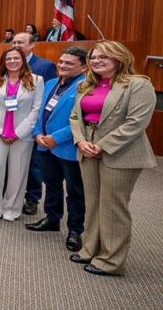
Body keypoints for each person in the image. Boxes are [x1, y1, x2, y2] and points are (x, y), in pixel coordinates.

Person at [69, 41, 156, 276]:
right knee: (93, 202)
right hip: (87, 148)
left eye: (103, 57)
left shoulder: (138, 84)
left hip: (120, 152)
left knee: (113, 206)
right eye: (93, 57)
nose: (96, 61)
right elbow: (75, 116)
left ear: (119, 58)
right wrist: (80, 141)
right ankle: (91, 248)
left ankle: (111, 260)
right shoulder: (86, 84)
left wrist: (102, 145)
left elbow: (136, 123)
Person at [25, 47, 88, 253]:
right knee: (51, 184)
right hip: (44, 145)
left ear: (83, 67)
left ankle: (75, 230)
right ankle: (52, 218)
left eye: (69, 63)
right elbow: (39, 112)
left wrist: (56, 138)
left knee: (74, 190)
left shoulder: (86, 86)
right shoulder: (51, 83)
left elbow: (82, 120)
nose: (62, 65)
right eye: (61, 61)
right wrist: (37, 134)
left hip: (68, 146)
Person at [0, 48, 44, 222]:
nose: (12, 61)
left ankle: (11, 209)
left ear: (23, 60)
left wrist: (18, 133)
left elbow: (36, 109)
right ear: (3, 61)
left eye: (16, 58)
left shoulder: (36, 80)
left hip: (22, 135)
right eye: (8, 58)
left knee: (18, 172)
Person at [12, 31, 56, 216]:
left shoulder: (44, 67)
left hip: (34, 123)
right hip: (11, 121)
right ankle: (11, 195)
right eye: (14, 42)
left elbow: (49, 96)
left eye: (20, 42)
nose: (16, 45)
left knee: (33, 164)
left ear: (31, 45)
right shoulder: (9, 63)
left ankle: (32, 198)